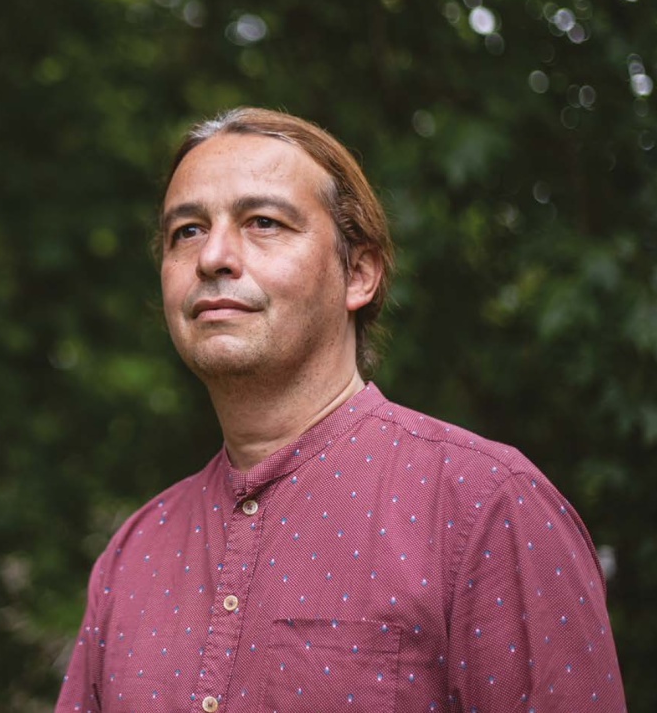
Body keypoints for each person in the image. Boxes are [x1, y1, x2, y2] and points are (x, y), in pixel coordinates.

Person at [54, 107, 625, 712]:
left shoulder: (487, 507)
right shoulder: (135, 554)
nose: (213, 256)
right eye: (187, 231)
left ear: (358, 274)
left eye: (264, 222)